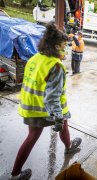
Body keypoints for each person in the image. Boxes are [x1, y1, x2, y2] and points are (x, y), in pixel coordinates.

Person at [10, 23, 82, 180]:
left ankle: (15, 174)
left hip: (30, 105)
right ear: (56, 46)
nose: (66, 50)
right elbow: (52, 97)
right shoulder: (56, 66)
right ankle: (68, 148)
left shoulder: (35, 58)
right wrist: (57, 117)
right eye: (64, 46)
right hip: (45, 108)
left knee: (32, 137)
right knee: (61, 125)